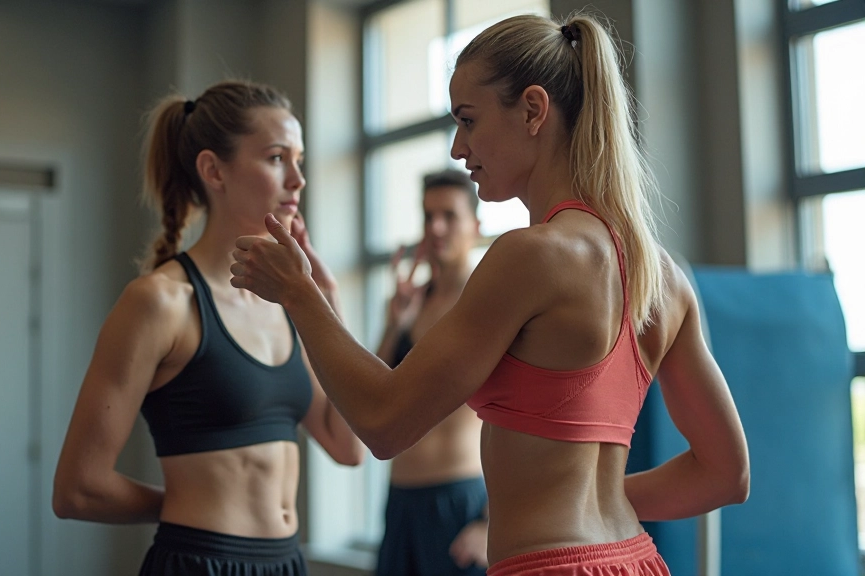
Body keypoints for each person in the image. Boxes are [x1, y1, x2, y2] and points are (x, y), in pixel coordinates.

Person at [230, 13, 750, 576]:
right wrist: (594, 502)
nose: (458, 147)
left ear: (532, 110)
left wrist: (298, 293)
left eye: (469, 120)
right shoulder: (664, 275)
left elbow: (383, 423)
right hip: (636, 559)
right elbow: (726, 474)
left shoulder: (530, 256)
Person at [52, 80, 364, 576]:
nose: (298, 179)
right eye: (277, 158)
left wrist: (328, 304)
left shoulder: (288, 302)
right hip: (201, 562)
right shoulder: (158, 302)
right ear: (213, 170)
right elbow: (77, 488)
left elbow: (347, 447)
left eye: (299, 159)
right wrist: (181, 503)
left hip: (287, 564)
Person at [374, 169, 488, 576]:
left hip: (458, 499)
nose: (436, 226)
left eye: (448, 215)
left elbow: (523, 418)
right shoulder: (410, 301)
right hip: (400, 497)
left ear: (474, 225)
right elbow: (373, 393)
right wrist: (394, 325)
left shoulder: (488, 302)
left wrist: (491, 522)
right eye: (427, 216)